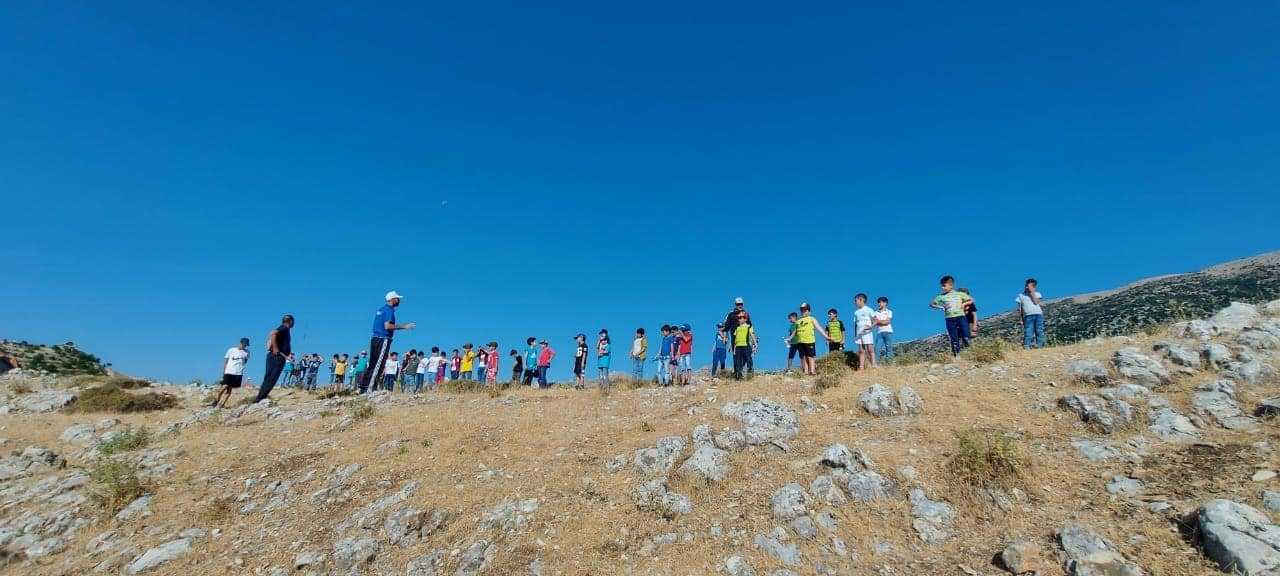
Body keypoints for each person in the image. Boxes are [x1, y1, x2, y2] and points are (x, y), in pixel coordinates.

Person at [361, 291, 415, 394]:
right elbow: (387, 326)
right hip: (383, 339)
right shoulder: (389, 310)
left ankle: (364, 387)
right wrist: (404, 326)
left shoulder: (381, 309)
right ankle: (370, 389)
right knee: (379, 364)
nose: (399, 300)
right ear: (392, 299)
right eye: (397, 299)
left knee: (373, 364)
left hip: (375, 339)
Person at [253, 315, 294, 403]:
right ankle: (260, 398)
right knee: (272, 378)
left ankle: (260, 397)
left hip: (275, 356)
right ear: (290, 321)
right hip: (277, 356)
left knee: (269, 377)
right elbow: (273, 333)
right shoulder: (284, 328)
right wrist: (275, 348)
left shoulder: (284, 329)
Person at [931, 276, 974, 355]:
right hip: (949, 319)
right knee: (954, 337)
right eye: (941, 286)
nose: (942, 288)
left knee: (966, 335)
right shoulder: (940, 297)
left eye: (944, 286)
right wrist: (941, 307)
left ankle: (970, 352)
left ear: (951, 285)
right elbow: (932, 304)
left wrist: (964, 304)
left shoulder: (959, 294)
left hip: (961, 317)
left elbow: (971, 300)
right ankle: (956, 356)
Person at [211, 337, 251, 408]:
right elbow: (225, 362)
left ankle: (221, 405)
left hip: (238, 373)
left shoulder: (247, 352)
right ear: (240, 343)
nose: (245, 346)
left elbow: (245, 361)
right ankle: (216, 401)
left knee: (230, 389)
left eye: (246, 345)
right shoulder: (231, 350)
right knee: (224, 387)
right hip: (229, 371)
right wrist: (224, 372)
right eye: (244, 344)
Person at [794, 303, 829, 376]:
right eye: (801, 310)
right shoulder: (798, 321)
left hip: (809, 341)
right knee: (803, 357)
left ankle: (812, 371)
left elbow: (818, 327)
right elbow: (795, 332)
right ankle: (806, 372)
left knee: (810, 356)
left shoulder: (811, 318)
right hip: (800, 342)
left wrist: (826, 336)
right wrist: (791, 340)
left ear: (808, 311)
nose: (803, 312)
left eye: (804, 310)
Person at [722, 297, 754, 373]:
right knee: (736, 355)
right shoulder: (731, 314)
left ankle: (746, 371)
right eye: (738, 304)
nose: (740, 305)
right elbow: (727, 326)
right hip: (735, 338)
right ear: (735, 304)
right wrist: (725, 337)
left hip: (745, 338)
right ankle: (737, 373)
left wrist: (753, 338)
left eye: (741, 304)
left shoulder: (746, 314)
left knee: (747, 355)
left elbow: (750, 326)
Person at [1017, 278, 1046, 349]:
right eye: (1026, 285)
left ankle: (1040, 346)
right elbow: (1020, 308)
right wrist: (1021, 318)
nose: (1026, 287)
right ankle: (1027, 346)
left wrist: (1032, 293)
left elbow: (1036, 302)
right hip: (1027, 316)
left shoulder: (1037, 294)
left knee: (1039, 331)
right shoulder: (1021, 295)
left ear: (1034, 287)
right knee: (1028, 331)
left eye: (1029, 286)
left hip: (1038, 315)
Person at [853, 294, 876, 369]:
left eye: (856, 300)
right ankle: (861, 367)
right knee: (861, 350)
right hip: (859, 334)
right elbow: (856, 324)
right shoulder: (856, 312)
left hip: (867, 333)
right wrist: (855, 334)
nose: (855, 302)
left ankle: (874, 365)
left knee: (870, 349)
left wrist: (870, 327)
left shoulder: (869, 309)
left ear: (861, 300)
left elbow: (875, 321)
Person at [732, 315, 755, 380]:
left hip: (746, 345)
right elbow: (735, 338)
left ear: (745, 319)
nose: (740, 319)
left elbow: (752, 335)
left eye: (742, 318)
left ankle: (750, 372)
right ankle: (739, 375)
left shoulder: (749, 326)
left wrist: (755, 343)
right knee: (738, 361)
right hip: (738, 347)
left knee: (748, 359)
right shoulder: (737, 328)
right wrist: (733, 347)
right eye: (739, 318)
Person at [873, 297, 894, 362]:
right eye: (878, 302)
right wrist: (881, 321)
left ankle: (889, 363)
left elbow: (887, 322)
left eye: (881, 302)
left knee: (889, 348)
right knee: (877, 349)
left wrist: (878, 321)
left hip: (888, 331)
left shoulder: (889, 311)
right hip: (879, 332)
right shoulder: (875, 312)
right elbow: (875, 322)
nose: (879, 303)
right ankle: (876, 364)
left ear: (885, 303)